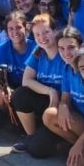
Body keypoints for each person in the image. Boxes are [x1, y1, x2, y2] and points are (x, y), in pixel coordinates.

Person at [11, 15, 69, 152]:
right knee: (20, 94)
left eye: (46, 32)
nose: (42, 37)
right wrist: (50, 91)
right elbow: (27, 80)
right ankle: (30, 136)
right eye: (37, 34)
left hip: (65, 104)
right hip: (48, 100)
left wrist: (60, 100)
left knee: (38, 150)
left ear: (55, 31)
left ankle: (63, 141)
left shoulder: (65, 52)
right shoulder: (38, 52)